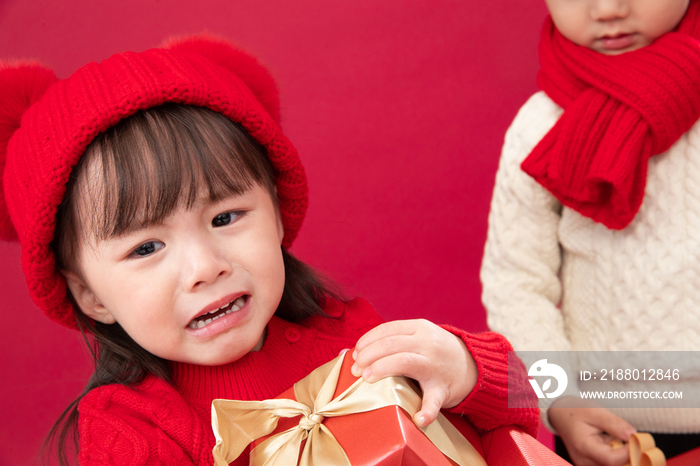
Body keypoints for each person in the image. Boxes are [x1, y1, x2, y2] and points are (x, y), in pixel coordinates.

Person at [0, 36, 538, 465]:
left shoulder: (345, 333)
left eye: (225, 217)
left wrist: (467, 370)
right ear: (90, 295)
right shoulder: (137, 430)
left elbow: (530, 398)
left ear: (278, 213)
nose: (205, 267)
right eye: (146, 247)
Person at [481, 0, 700, 465]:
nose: (607, 8)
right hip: (607, 424)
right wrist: (560, 399)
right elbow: (516, 286)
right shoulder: (541, 125)